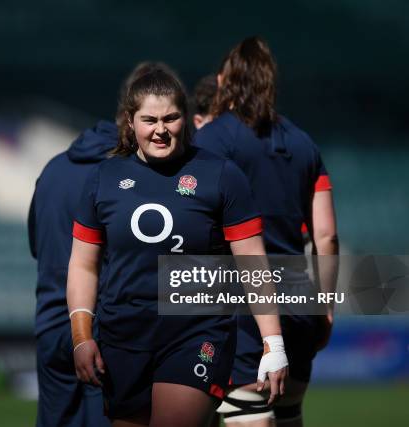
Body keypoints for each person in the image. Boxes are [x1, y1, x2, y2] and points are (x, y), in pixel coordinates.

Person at [67, 66, 288, 427]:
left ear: (185, 117)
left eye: (170, 118)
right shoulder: (103, 179)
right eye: (149, 119)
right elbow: (83, 265)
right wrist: (81, 337)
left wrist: (273, 344)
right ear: (130, 120)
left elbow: (252, 261)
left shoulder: (221, 174)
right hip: (123, 334)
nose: (160, 129)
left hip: (197, 331)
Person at [194, 37, 338, 427]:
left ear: (224, 80)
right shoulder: (304, 143)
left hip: (242, 308)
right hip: (299, 303)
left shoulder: (209, 141)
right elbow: (325, 235)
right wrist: (325, 305)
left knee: (249, 415)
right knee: (289, 415)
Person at [28, 62, 166, 427]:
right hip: (103, 328)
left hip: (51, 325)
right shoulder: (131, 175)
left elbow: (36, 245)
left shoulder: (53, 170)